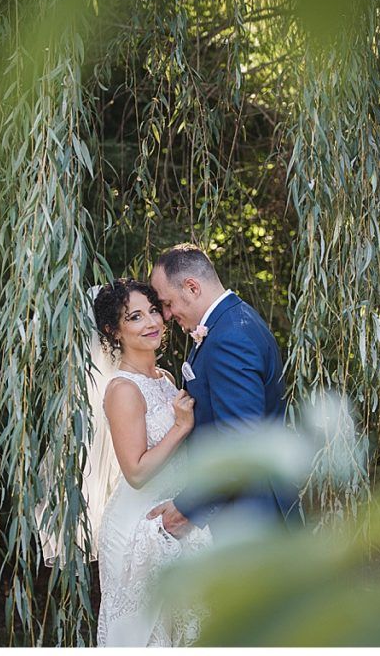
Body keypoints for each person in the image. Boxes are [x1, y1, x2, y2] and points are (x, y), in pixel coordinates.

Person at [147, 244, 299, 540]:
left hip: (250, 519)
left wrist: (184, 510)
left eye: (167, 303)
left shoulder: (230, 337)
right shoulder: (229, 323)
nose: (166, 315)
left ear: (191, 287)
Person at [90, 278, 212, 647]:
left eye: (154, 311)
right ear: (114, 331)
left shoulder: (166, 378)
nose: (151, 323)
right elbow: (137, 472)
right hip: (136, 528)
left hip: (170, 518)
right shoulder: (122, 390)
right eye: (135, 317)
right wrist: (179, 427)